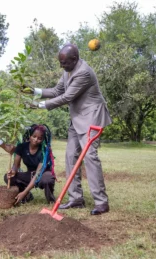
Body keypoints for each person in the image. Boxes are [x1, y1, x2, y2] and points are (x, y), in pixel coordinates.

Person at [24, 44, 112, 215]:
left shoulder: (84, 72)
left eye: (63, 63)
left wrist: (38, 105)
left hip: (91, 118)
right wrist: (33, 91)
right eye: (60, 63)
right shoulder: (68, 69)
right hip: (77, 118)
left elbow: (67, 97)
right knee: (71, 156)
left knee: (90, 157)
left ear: (74, 59)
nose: (61, 66)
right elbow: (57, 90)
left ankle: (101, 202)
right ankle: (76, 199)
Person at [4, 124, 56, 205]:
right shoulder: (21, 146)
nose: (36, 140)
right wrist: (13, 171)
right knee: (8, 178)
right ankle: (28, 196)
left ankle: (51, 200)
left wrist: (24, 192)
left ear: (43, 140)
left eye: (39, 138)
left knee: (47, 179)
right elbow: (16, 165)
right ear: (30, 136)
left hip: (42, 174)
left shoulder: (45, 151)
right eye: (34, 136)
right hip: (30, 174)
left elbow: (38, 174)